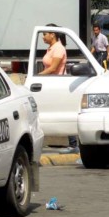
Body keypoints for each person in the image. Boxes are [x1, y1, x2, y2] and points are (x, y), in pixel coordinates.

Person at [40, 24, 77, 154]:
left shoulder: (58, 49)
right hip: (49, 85)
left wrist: (37, 76)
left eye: (45, 34)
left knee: (64, 112)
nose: (43, 37)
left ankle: (74, 144)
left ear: (53, 35)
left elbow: (53, 68)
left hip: (57, 86)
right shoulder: (51, 48)